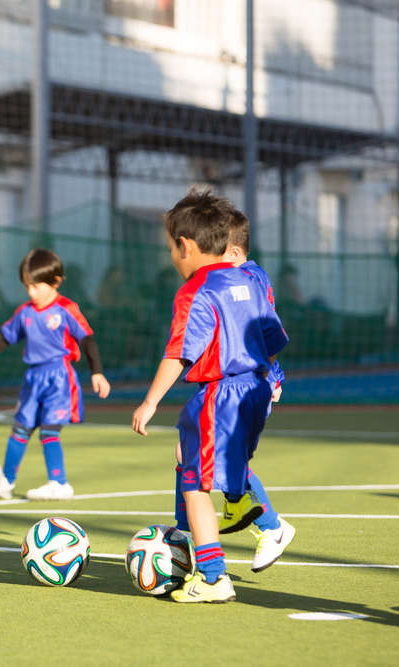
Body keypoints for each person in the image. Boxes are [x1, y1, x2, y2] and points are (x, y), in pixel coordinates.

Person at [132, 190, 287, 603]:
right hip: (257, 385)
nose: (171, 257)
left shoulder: (194, 291)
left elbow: (180, 352)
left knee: (196, 482)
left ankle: (214, 576)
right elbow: (271, 336)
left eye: (171, 248)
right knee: (195, 459)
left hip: (220, 393)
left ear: (185, 246)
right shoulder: (251, 279)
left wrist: (150, 402)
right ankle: (206, 531)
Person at [169, 220, 296, 574]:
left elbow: (263, 332)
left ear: (234, 253)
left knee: (216, 456)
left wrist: (271, 376)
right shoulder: (239, 279)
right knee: (194, 452)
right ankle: (189, 533)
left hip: (245, 382)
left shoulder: (248, 279)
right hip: (235, 381)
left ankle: (271, 527)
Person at [0, 248, 110, 500]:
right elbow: (4, 337)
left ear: (55, 282)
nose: (31, 292)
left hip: (59, 377)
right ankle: (5, 481)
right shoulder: (25, 312)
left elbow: (88, 339)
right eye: (27, 286)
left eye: (36, 286)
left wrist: (97, 372)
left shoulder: (66, 309)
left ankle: (59, 483)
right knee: (20, 429)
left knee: (49, 430)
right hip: (33, 378)